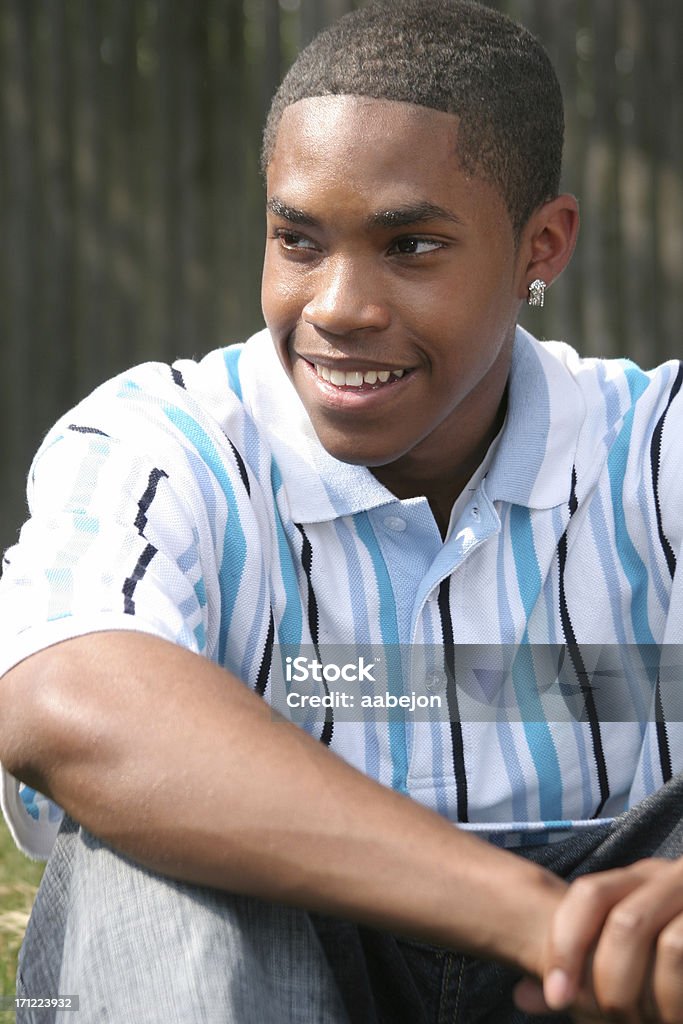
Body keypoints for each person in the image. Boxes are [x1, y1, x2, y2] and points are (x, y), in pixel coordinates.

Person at [1, 1, 682, 1020]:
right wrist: (531, 916)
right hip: (273, 971)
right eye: (297, 240)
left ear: (539, 246)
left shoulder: (656, 449)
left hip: (611, 979)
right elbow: (62, 695)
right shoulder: (163, 442)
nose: (336, 307)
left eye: (409, 246)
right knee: (152, 873)